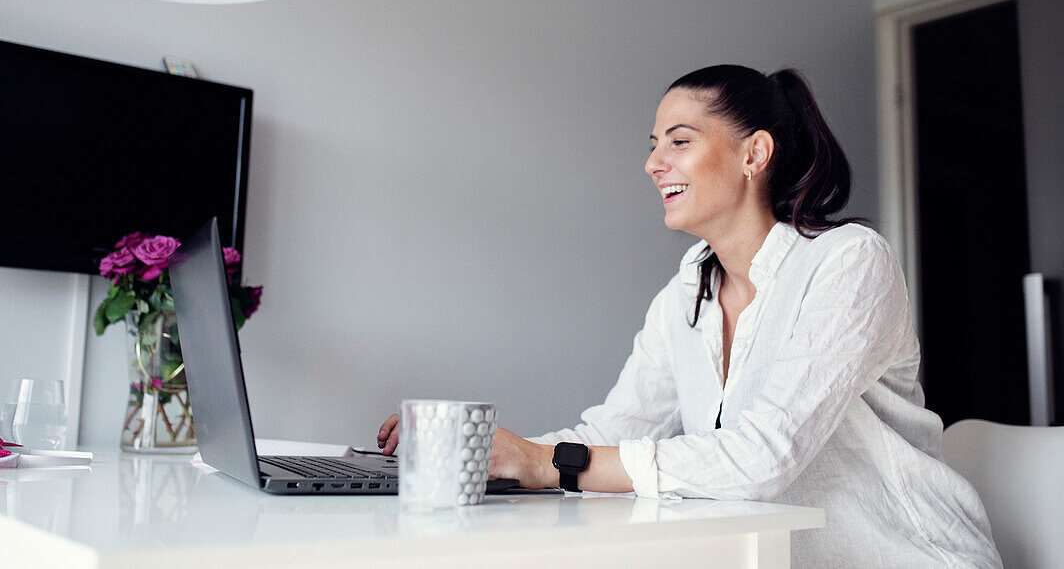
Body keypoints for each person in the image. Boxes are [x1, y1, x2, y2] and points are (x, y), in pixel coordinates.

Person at [378, 65, 1001, 568]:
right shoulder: (685, 294)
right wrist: (481, 450)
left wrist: (549, 464)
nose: (655, 164)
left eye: (679, 142)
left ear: (754, 153)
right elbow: (615, 428)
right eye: (654, 147)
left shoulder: (848, 263)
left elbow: (765, 457)